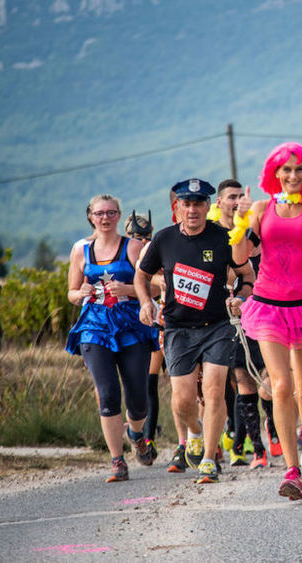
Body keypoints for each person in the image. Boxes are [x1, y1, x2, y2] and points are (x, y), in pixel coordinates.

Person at [231, 143, 302, 500]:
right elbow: (240, 256)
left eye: (299, 170)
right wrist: (240, 223)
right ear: (274, 174)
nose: (292, 176)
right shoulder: (261, 209)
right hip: (268, 305)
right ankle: (290, 469)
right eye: (286, 170)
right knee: (280, 387)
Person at [135, 178, 255, 485]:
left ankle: (208, 460)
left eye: (199, 204)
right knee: (183, 399)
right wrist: (146, 302)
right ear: (177, 208)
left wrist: (239, 298)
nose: (193, 210)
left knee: (215, 390)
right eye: (187, 204)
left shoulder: (224, 238)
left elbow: (246, 274)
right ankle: (196, 433)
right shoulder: (163, 239)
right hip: (178, 328)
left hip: (216, 326)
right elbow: (142, 274)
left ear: (208, 206)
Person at [67, 195, 158, 482]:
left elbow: (154, 287)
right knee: (107, 394)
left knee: (138, 399)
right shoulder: (80, 250)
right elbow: (70, 292)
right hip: (94, 327)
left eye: (110, 213)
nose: (105, 218)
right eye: (99, 213)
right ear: (91, 216)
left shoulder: (133, 247)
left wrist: (128, 290)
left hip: (131, 326)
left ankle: (136, 433)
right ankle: (117, 460)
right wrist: (79, 294)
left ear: (119, 216)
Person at [212, 179, 267, 468]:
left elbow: (256, 263)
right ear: (218, 203)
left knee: (260, 378)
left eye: (239, 197)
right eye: (230, 197)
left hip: (253, 309)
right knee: (234, 383)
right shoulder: (208, 234)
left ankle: (262, 443)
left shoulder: (250, 233)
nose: (235, 202)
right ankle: (240, 445)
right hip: (218, 318)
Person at [123, 211, 162, 464]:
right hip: (124, 323)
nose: (142, 240)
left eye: (146, 236)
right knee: (135, 384)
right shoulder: (121, 253)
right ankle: (134, 434)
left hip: (157, 321)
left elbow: (158, 285)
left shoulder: (155, 251)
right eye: (136, 236)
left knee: (150, 381)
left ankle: (148, 439)